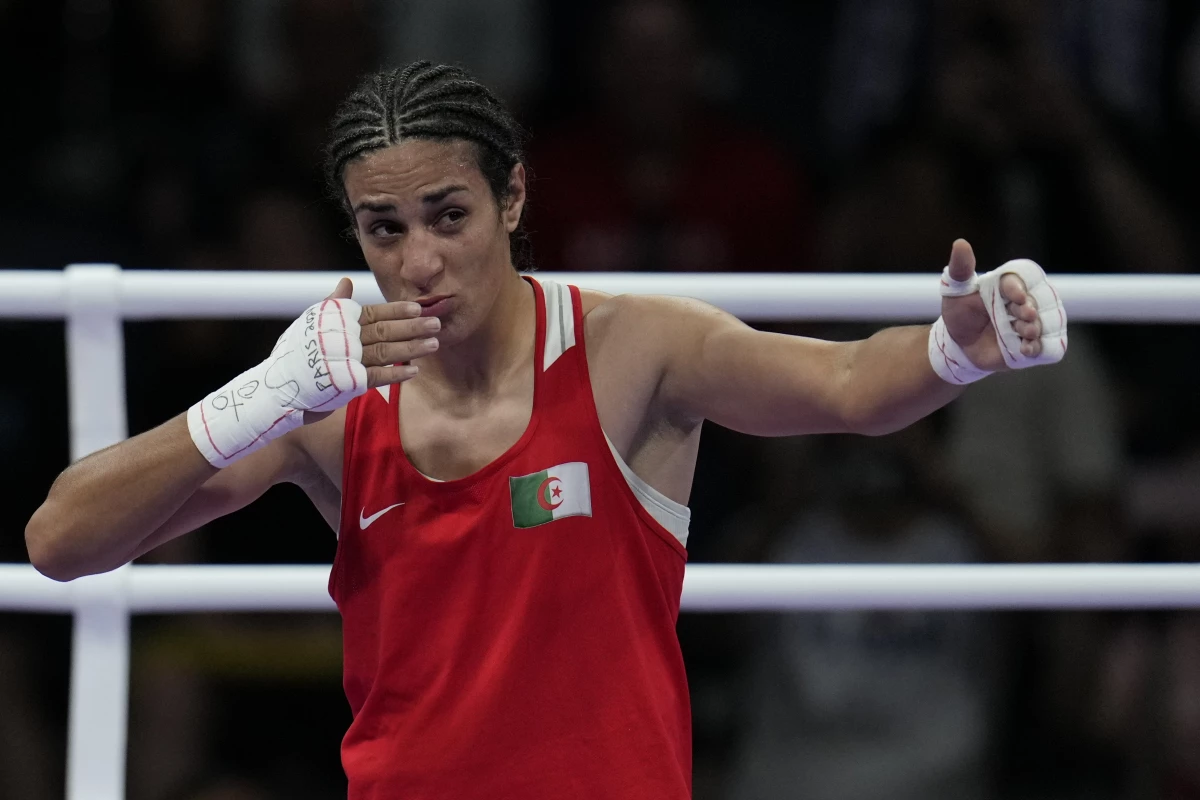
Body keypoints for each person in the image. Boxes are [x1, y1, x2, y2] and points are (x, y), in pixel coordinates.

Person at [24, 61, 1066, 799]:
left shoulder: (632, 351)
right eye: (385, 230)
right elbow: (60, 542)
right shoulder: (328, 402)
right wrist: (251, 397)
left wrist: (957, 348)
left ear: (513, 195)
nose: (420, 260)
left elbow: (844, 383)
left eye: (448, 215)